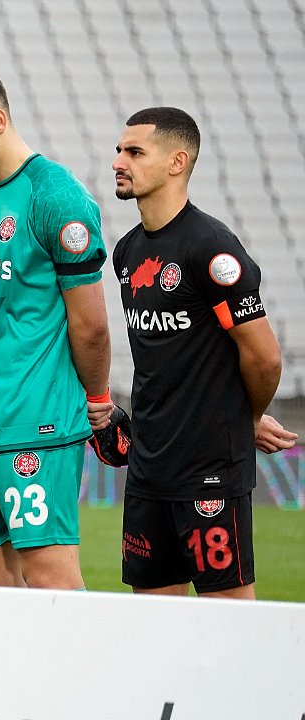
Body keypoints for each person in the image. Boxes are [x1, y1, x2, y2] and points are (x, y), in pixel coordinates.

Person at [0, 66, 112, 589]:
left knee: (49, 575)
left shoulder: (55, 195)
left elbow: (92, 325)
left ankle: (79, 675)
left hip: (35, 422)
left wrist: (97, 398)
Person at [111, 106, 298, 598]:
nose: (118, 161)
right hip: (148, 467)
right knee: (154, 626)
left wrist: (244, 415)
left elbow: (264, 357)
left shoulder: (210, 248)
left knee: (229, 619)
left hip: (209, 470)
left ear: (177, 162)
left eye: (134, 151)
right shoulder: (128, 251)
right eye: (119, 150)